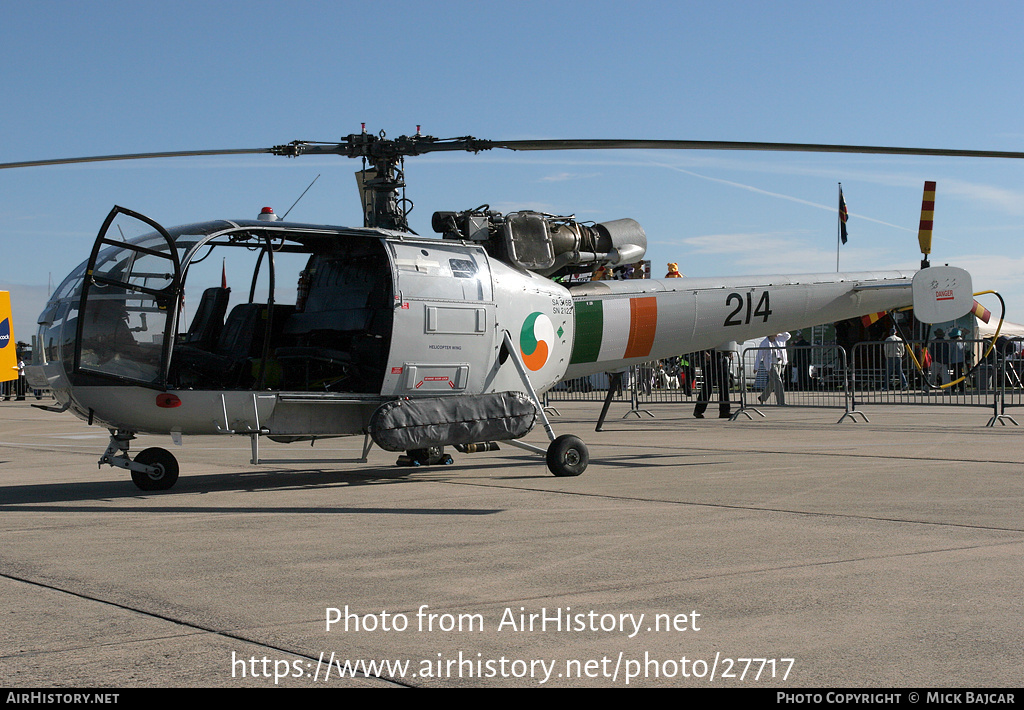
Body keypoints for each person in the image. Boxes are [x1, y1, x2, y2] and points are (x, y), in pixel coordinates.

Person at [693, 348, 732, 418]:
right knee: (708, 384)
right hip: (710, 356)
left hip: (721, 355)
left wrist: (729, 350)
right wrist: (704, 352)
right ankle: (698, 410)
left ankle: (725, 411)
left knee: (725, 384)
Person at [754, 332, 790, 404]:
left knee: (772, 382)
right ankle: (781, 401)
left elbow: (788, 335)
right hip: (770, 364)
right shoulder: (764, 343)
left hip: (779, 362)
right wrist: (756, 367)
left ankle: (763, 397)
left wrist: (780, 330)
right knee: (778, 381)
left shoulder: (780, 338)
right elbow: (759, 355)